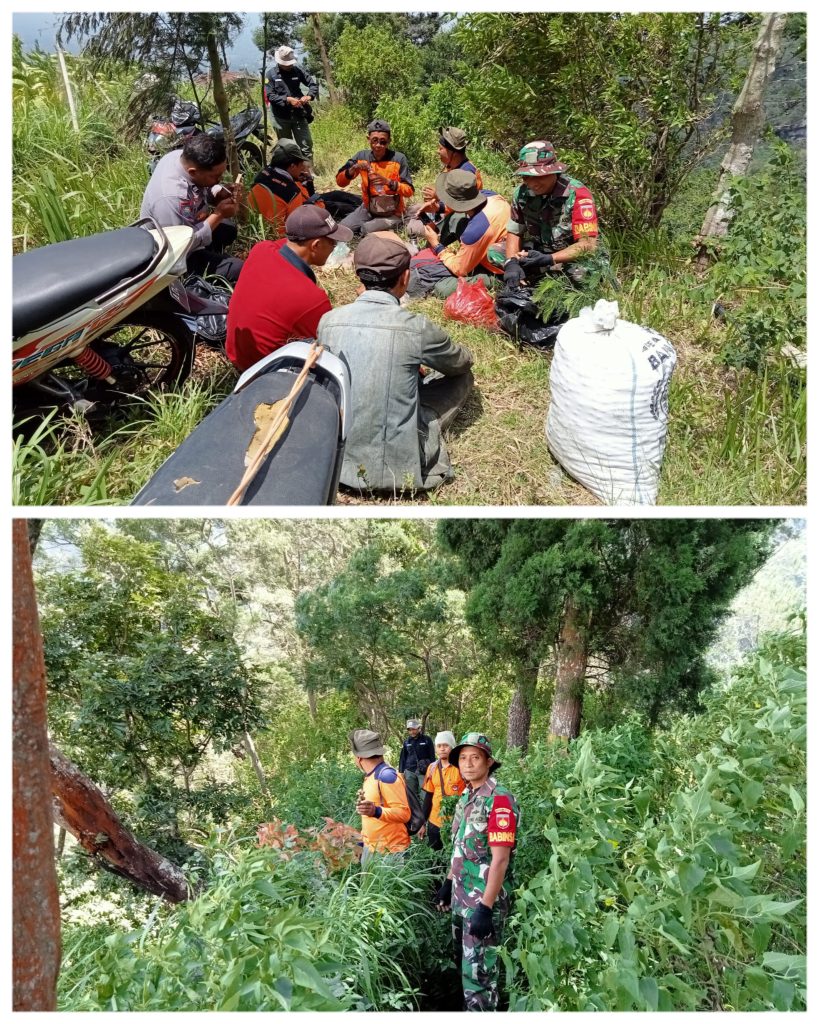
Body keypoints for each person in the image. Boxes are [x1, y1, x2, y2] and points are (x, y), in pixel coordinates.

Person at [317, 233, 474, 493]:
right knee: (463, 378)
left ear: (359, 277)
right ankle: (429, 426)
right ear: (405, 278)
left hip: (336, 466)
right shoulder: (415, 327)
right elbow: (460, 363)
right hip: (397, 472)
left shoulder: (328, 321)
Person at [435, 732, 519, 1012]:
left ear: (489, 761)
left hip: (482, 902)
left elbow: (501, 860)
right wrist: (448, 884)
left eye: (475, 757)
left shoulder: (500, 801)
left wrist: (485, 907)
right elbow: (460, 847)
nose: (468, 764)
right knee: (468, 970)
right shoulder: (466, 797)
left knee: (481, 977)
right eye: (463, 758)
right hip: (462, 898)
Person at [225, 205, 352, 372]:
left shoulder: (261, 249)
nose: (335, 246)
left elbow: (282, 245)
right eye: (332, 243)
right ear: (315, 245)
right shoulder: (312, 298)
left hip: (235, 352)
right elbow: (326, 345)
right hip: (264, 373)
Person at [502, 139, 606, 292]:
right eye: (526, 177)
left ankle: (547, 275)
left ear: (554, 172)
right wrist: (511, 263)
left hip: (571, 256)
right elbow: (515, 231)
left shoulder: (578, 194)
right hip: (541, 251)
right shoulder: (522, 194)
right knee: (496, 252)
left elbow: (587, 245)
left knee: (582, 275)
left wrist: (550, 259)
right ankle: (532, 275)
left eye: (539, 177)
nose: (532, 183)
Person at [140, 133, 244, 282]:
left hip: (188, 227)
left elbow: (201, 190)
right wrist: (219, 214)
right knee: (237, 268)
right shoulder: (171, 197)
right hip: (170, 255)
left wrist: (218, 193)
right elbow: (181, 245)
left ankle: (211, 256)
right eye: (215, 176)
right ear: (193, 172)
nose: (219, 180)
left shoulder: (180, 157)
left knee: (229, 229)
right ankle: (193, 280)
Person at [407, 170, 510, 299]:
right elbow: (463, 206)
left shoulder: (475, 230)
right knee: (457, 217)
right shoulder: (489, 195)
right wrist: (439, 208)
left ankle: (495, 282)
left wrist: (436, 245)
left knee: (443, 289)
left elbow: (460, 269)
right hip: (496, 246)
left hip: (498, 270)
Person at [335, 120, 414, 236]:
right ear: (368, 139)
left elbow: (409, 191)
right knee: (342, 230)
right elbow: (340, 182)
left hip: (391, 211)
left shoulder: (399, 159)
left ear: (389, 142)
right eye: (374, 141)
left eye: (383, 142)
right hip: (368, 208)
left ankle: (397, 222)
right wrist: (353, 169)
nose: (378, 145)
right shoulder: (361, 156)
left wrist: (388, 182)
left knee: (365, 230)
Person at [406, 126, 483, 239]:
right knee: (413, 209)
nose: (438, 151)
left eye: (441, 148)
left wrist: (437, 201)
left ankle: (436, 232)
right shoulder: (453, 166)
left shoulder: (466, 173)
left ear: (454, 154)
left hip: (457, 218)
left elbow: (463, 207)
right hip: (445, 211)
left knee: (412, 227)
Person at [350, 728, 411, 863]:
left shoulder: (386, 776)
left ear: (358, 758)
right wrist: (363, 842)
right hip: (372, 849)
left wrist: (375, 811)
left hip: (390, 853)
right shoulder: (371, 776)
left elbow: (404, 814)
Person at [248, 139, 318, 239]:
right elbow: (297, 226)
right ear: (293, 166)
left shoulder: (263, 173)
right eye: (301, 163)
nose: (303, 167)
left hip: (255, 230)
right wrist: (309, 182)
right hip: (279, 238)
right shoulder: (292, 192)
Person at [264, 45, 318, 162]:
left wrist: (309, 96)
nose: (289, 65)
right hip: (280, 117)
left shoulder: (297, 71)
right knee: (286, 147)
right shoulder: (270, 75)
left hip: (299, 113)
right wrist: (287, 100)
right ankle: (290, 172)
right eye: (286, 63)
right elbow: (270, 96)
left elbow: (312, 84)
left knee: (306, 143)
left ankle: (308, 172)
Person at [420, 731, 466, 850]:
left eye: (445, 745)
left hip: (456, 822)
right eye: (439, 746)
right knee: (435, 859)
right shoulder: (432, 768)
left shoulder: (461, 768)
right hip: (435, 821)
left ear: (452, 747)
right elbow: (428, 796)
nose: (442, 749)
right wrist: (422, 823)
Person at [399, 718, 436, 803]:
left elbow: (432, 756)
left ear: (419, 728)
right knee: (411, 795)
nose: (412, 732)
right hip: (409, 771)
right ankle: (414, 814)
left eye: (414, 729)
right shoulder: (406, 742)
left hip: (423, 771)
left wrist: (433, 769)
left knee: (425, 793)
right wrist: (401, 772)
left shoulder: (427, 739)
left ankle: (424, 814)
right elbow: (403, 757)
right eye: (410, 730)